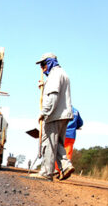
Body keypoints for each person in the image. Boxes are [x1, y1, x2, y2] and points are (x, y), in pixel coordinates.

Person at [30, 53, 75, 181]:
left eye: (43, 65)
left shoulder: (54, 75)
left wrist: (44, 113)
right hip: (64, 115)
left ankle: (46, 172)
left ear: (50, 63)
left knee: (48, 143)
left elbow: (53, 96)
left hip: (54, 115)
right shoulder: (62, 74)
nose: (42, 68)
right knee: (57, 144)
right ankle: (66, 166)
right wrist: (44, 87)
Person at [56, 106, 83, 176]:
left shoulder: (62, 108)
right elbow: (80, 123)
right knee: (68, 152)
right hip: (71, 135)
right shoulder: (76, 111)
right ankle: (67, 168)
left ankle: (57, 170)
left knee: (58, 150)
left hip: (62, 133)